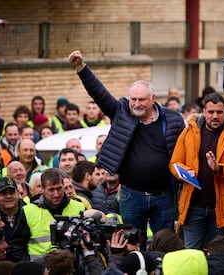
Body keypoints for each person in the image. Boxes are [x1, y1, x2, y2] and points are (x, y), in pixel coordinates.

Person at [69, 50, 185, 250]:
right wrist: (81, 68)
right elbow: (99, 94)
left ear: (153, 98)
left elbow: (184, 150)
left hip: (164, 195)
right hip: (133, 195)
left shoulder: (172, 118)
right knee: (132, 244)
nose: (136, 104)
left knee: (165, 245)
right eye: (133, 99)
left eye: (142, 100)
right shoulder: (122, 113)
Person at [169, 92, 224, 249]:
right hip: (193, 207)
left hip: (223, 209)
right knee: (191, 254)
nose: (215, 116)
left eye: (219, 112)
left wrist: (219, 168)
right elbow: (174, 163)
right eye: (211, 112)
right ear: (204, 112)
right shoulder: (189, 132)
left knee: (219, 255)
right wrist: (187, 172)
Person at [7, 168, 86, 262]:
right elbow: (16, 247)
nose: (56, 194)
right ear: (43, 189)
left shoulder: (79, 207)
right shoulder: (28, 211)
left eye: (59, 188)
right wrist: (30, 266)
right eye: (51, 190)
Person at [0, 177, 25, 242]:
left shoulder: (28, 213)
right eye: (3, 193)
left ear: (18, 193)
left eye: (11, 192)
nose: (8, 196)